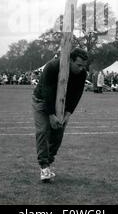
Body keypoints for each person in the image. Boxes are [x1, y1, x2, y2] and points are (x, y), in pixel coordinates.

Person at [32, 48, 88, 182]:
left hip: (62, 105)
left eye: (83, 66)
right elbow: (47, 92)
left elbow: (76, 95)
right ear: (70, 60)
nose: (81, 69)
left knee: (58, 133)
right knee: (43, 131)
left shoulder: (82, 74)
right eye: (78, 65)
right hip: (41, 100)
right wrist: (51, 115)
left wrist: (68, 114)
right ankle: (44, 167)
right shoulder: (52, 67)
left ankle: (49, 162)